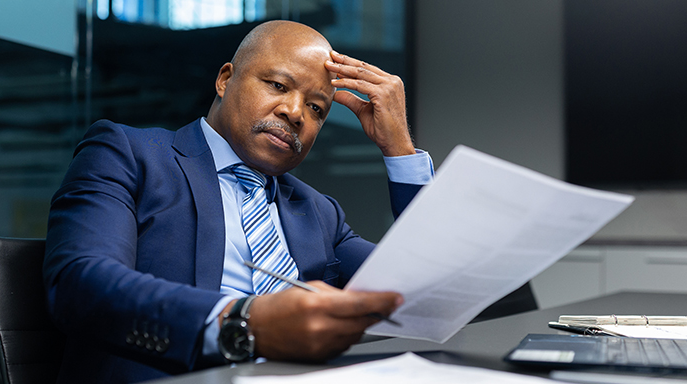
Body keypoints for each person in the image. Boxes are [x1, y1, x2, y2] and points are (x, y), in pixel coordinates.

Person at [43, 20, 434, 383]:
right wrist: (242, 322)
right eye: (278, 86)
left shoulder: (319, 213)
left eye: (317, 108)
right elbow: (82, 283)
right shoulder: (129, 154)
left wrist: (398, 147)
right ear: (225, 79)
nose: (294, 112)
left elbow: (423, 289)